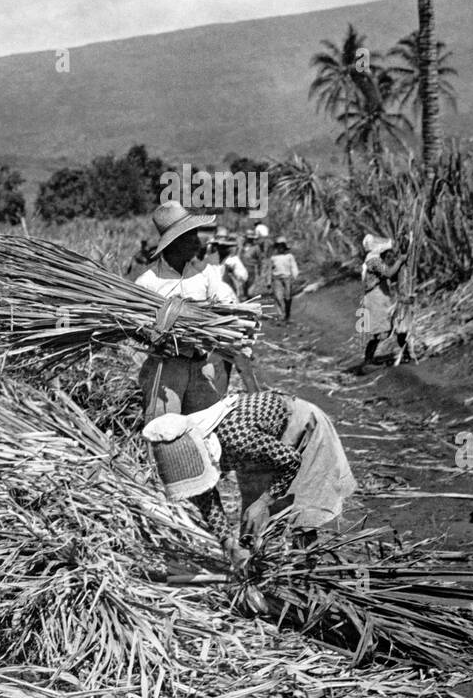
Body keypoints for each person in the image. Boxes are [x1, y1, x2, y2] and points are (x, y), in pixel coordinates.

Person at [143, 391, 356, 570]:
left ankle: (306, 568)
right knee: (253, 523)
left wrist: (264, 501)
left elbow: (291, 460)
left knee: (302, 512)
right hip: (262, 445)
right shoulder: (195, 448)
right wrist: (227, 542)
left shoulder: (236, 439)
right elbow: (205, 496)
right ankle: (257, 568)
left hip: (301, 431)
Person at [134, 202, 240, 421]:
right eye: (189, 236)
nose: (197, 241)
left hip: (201, 366)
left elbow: (226, 306)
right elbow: (136, 328)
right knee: (165, 431)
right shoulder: (148, 283)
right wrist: (154, 341)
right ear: (173, 243)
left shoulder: (206, 274)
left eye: (195, 234)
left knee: (206, 428)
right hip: (165, 371)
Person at [357, 235, 408, 372]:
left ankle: (407, 353)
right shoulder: (373, 260)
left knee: (397, 325)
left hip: (381, 297)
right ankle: (368, 361)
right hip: (376, 299)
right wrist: (400, 260)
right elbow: (388, 273)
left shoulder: (375, 259)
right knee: (380, 333)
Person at [208, 229, 250, 300]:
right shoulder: (210, 261)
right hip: (213, 299)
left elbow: (243, 277)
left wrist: (232, 270)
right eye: (219, 247)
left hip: (229, 298)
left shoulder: (233, 260)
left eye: (224, 247)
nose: (221, 249)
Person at [268, 238, 299, 322]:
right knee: (278, 296)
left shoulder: (289, 256)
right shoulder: (273, 258)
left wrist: (295, 276)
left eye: (282, 246)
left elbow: (293, 266)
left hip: (287, 277)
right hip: (276, 278)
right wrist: (268, 281)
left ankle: (287, 312)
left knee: (287, 296)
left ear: (284, 247)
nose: (280, 248)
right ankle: (281, 314)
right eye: (278, 246)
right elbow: (270, 270)